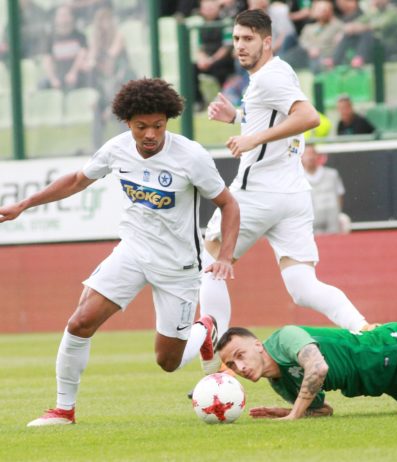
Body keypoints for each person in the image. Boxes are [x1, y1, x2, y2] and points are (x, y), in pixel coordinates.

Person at [0, 78, 240, 426]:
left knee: (168, 362)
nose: (151, 134)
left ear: (167, 121)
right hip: (133, 251)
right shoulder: (116, 149)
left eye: (158, 125)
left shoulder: (191, 157)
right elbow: (77, 180)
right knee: (80, 322)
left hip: (177, 266)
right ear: (127, 122)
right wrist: (24, 204)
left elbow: (228, 204)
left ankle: (204, 331)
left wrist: (225, 256)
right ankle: (63, 410)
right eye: (142, 126)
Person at [199, 9, 373, 374]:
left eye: (248, 39)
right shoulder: (277, 73)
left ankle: (215, 370)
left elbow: (309, 117)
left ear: (267, 42)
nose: (240, 46)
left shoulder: (269, 78)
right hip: (292, 195)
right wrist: (237, 118)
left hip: (257, 193)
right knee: (303, 285)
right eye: (236, 39)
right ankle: (363, 328)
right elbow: (277, 115)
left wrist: (253, 138)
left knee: (210, 264)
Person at [217, 323, 397, 420]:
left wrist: (294, 414)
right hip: (382, 381)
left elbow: (318, 367)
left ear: (257, 345)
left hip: (395, 347)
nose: (239, 368)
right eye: (231, 365)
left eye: (240, 355)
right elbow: (324, 410)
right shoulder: (278, 382)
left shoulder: (285, 338)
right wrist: (288, 411)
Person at [85, 5, 136, 148]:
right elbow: (92, 60)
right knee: (97, 108)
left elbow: (111, 56)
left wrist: (110, 108)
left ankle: (127, 146)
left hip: (122, 85)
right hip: (107, 86)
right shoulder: (96, 39)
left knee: (122, 109)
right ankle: (97, 148)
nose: (104, 24)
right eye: (101, 21)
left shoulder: (118, 36)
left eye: (106, 20)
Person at [332, 0, 397, 68]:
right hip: (372, 42)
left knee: (367, 33)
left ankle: (359, 59)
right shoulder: (375, 12)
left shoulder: (393, 12)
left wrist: (362, 27)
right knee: (349, 34)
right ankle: (335, 60)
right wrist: (348, 29)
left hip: (386, 43)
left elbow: (380, 25)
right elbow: (360, 20)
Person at [193, 0, 235, 110]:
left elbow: (226, 47)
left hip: (222, 60)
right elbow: (200, 48)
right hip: (208, 60)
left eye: (211, 8)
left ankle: (225, 99)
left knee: (220, 68)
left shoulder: (225, 23)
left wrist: (212, 60)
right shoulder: (201, 26)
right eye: (206, 8)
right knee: (191, 68)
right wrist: (202, 60)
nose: (208, 11)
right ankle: (198, 101)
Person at [39, 5, 90, 91]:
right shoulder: (50, 38)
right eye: (60, 15)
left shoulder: (80, 37)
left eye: (66, 15)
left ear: (72, 17)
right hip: (58, 76)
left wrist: (73, 73)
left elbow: (83, 55)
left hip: (76, 75)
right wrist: (53, 79)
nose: (63, 18)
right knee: (42, 84)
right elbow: (47, 59)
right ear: (55, 18)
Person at [282, 0, 343, 73]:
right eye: (319, 9)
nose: (322, 12)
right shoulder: (309, 28)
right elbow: (302, 41)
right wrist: (310, 48)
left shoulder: (337, 26)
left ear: (330, 11)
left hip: (324, 56)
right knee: (288, 57)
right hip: (306, 54)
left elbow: (340, 42)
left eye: (324, 9)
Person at [302, 144, 346, 234]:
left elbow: (340, 195)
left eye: (312, 153)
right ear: (301, 158)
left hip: (333, 224)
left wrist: (336, 213)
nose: (310, 157)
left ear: (318, 156)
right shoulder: (299, 179)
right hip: (311, 226)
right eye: (307, 154)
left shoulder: (332, 174)